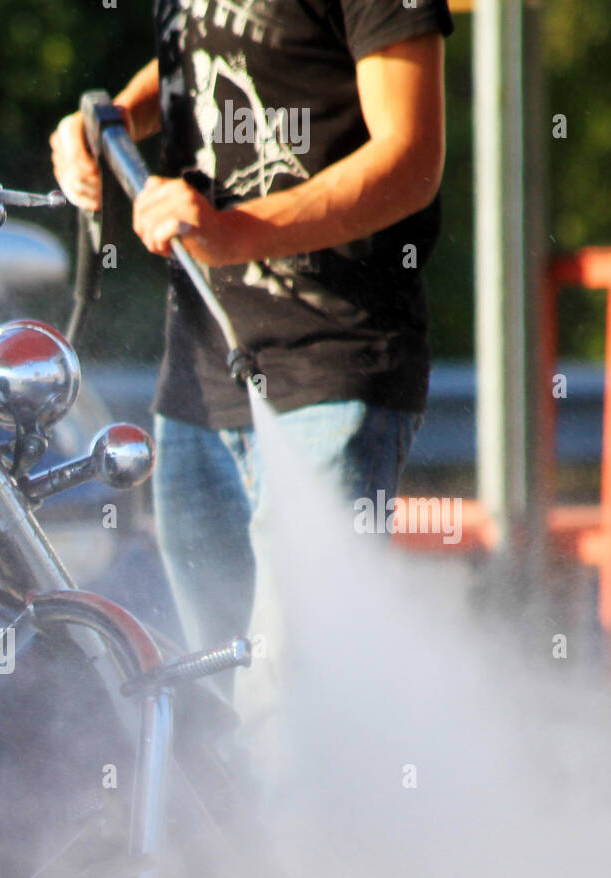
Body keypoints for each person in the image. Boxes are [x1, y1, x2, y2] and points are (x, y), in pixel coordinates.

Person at [51, 0, 454, 670]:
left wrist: (236, 233)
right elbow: (205, 48)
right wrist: (111, 121)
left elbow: (412, 157)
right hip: (198, 388)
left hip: (330, 372)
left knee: (295, 719)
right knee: (211, 713)